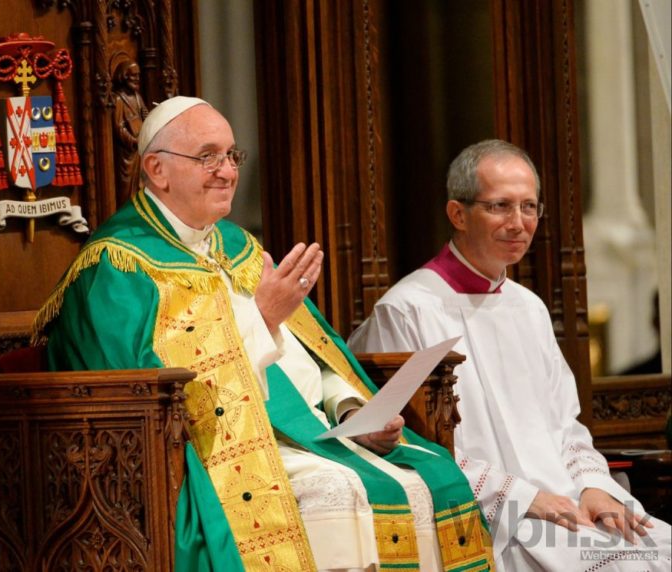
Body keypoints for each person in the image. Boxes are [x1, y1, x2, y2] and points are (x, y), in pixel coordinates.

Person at [32, 96, 494, 571]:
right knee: (341, 490)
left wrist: (353, 411)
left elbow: (313, 358)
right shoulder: (118, 267)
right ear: (157, 170)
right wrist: (262, 319)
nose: (228, 171)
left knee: (433, 478)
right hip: (207, 457)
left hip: (309, 433)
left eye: (232, 155)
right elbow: (150, 398)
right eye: (208, 156)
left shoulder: (238, 246)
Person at [347, 139, 671, 571]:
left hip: (567, 503)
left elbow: (565, 425)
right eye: (499, 206)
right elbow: (411, 447)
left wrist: (594, 487)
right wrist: (523, 497)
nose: (518, 223)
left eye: (529, 207)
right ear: (457, 214)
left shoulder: (528, 307)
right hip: (491, 519)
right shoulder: (407, 310)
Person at [112, 60, 148, 205]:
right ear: (124, 76)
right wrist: (133, 141)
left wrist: (147, 117)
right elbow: (119, 127)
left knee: (142, 184)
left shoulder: (137, 97)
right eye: (133, 75)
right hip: (128, 154)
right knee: (127, 188)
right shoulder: (118, 99)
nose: (137, 79)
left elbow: (144, 116)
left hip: (140, 150)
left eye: (138, 75)